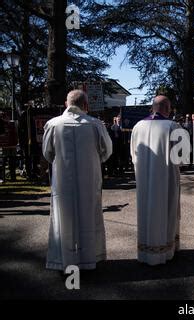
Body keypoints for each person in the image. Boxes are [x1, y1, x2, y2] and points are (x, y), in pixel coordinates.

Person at [42, 89, 113, 271]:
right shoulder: (95, 125)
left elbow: (47, 153)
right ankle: (89, 258)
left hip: (63, 180)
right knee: (88, 216)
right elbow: (107, 151)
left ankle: (65, 260)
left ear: (67, 104)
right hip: (89, 179)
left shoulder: (53, 124)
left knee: (64, 219)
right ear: (86, 105)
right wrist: (94, 160)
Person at [130, 95, 181, 265]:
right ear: (167, 108)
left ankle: (146, 252)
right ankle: (164, 252)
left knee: (147, 210)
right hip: (166, 177)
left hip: (144, 178)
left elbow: (133, 154)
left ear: (152, 108)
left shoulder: (137, 126)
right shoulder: (172, 126)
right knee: (166, 209)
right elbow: (181, 155)